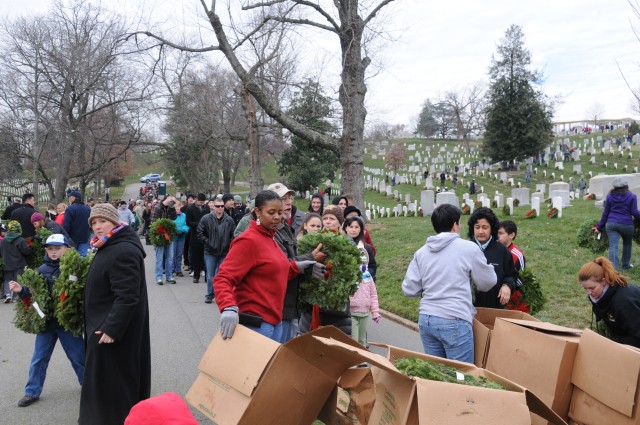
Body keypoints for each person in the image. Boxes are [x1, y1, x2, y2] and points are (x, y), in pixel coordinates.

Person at [213, 190, 325, 342]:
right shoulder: (248, 241)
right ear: (257, 212)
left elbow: (275, 269)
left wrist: (297, 267)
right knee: (255, 366)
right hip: (256, 323)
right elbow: (223, 277)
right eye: (271, 212)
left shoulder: (270, 238)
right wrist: (228, 307)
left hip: (275, 321)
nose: (277, 217)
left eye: (280, 213)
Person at [79, 203, 150, 425]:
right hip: (104, 327)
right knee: (107, 386)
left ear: (115, 222)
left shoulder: (122, 250)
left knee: (113, 388)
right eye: (94, 223)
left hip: (111, 333)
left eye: (103, 221)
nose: (98, 227)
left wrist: (112, 327)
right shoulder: (110, 245)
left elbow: (127, 296)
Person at [402, 204, 496, 363]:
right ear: (455, 225)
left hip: (427, 319)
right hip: (454, 318)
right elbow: (488, 282)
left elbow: (409, 289)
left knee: (437, 374)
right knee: (461, 376)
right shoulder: (468, 249)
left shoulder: (422, 252)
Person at [8, 234, 84, 408]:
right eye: (50, 249)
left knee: (79, 356)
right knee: (39, 359)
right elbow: (34, 296)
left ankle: (87, 384)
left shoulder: (74, 269)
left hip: (67, 324)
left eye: (58, 248)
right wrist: (22, 290)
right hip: (47, 324)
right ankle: (31, 391)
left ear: (67, 249)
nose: (54, 252)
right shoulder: (40, 270)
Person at [268, 183, 325, 343]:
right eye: (282, 199)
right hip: (279, 306)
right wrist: (311, 257)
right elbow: (281, 265)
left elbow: (291, 263)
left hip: (291, 305)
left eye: (289, 198)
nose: (288, 203)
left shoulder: (285, 228)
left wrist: (308, 268)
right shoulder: (271, 233)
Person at [578, 257, 640, 348]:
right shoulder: (599, 296)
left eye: (592, 288)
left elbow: (637, 334)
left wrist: (614, 345)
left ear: (603, 281)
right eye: (585, 289)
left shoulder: (623, 301)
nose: (589, 293)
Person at [468, 207, 517, 309]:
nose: (480, 231)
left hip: (494, 307)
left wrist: (507, 285)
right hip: (468, 309)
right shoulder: (465, 249)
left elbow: (512, 275)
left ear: (492, 229)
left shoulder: (502, 250)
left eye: (485, 227)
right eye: (477, 227)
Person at [344, 216, 380, 347]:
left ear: (361, 229)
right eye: (351, 227)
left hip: (363, 290)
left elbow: (373, 266)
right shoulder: (342, 244)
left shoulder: (366, 247)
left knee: (361, 332)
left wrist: (366, 274)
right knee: (351, 332)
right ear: (345, 228)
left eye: (356, 227)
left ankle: (362, 349)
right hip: (350, 298)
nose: (353, 230)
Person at [595, 176, 640, 270]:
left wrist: (599, 227)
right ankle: (625, 265)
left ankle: (613, 269)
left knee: (613, 246)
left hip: (611, 224)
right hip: (627, 224)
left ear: (614, 187)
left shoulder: (610, 197)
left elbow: (606, 213)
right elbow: (635, 212)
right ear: (626, 186)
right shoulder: (632, 196)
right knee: (627, 244)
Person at [197, 198, 236, 304]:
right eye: (218, 206)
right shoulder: (206, 218)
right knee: (210, 275)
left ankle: (220, 295)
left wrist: (229, 245)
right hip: (210, 252)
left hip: (224, 252)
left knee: (221, 275)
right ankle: (209, 295)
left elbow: (234, 235)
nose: (220, 208)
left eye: (222, 206)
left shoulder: (229, 220)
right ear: (213, 206)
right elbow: (200, 233)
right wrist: (208, 242)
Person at [1, 221, 33, 303]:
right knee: (17, 279)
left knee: (7, 280)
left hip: (6, 264)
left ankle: (7, 294)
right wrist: (30, 248)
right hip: (18, 264)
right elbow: (26, 251)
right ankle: (15, 296)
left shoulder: (3, 240)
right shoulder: (20, 240)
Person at [150, 195, 178, 285]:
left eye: (173, 201)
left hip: (169, 235)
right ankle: (159, 277)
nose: (172, 202)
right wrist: (161, 228)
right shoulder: (158, 207)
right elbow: (153, 221)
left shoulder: (170, 207)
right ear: (166, 199)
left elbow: (174, 218)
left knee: (170, 258)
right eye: (171, 200)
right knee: (159, 258)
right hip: (159, 234)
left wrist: (172, 207)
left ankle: (169, 276)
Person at [185, 193, 209, 283]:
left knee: (206, 256)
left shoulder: (206, 208)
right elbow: (188, 222)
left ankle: (207, 275)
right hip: (195, 235)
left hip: (205, 235)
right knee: (196, 257)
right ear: (196, 200)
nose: (202, 204)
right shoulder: (190, 209)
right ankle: (196, 275)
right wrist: (199, 224)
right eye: (200, 202)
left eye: (203, 202)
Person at [63, 191, 92, 256]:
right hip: (85, 237)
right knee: (83, 258)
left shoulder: (70, 209)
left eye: (69, 197)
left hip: (72, 238)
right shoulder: (88, 209)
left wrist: (65, 236)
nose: (69, 199)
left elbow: (66, 225)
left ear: (73, 198)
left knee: (72, 258)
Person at [172, 200, 189, 278]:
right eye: (176, 208)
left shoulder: (184, 215)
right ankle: (172, 268)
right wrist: (175, 231)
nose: (177, 209)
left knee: (179, 254)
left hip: (182, 237)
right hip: (173, 237)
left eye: (179, 207)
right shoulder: (172, 215)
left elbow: (187, 224)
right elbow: (170, 224)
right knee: (173, 254)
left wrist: (183, 231)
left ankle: (178, 270)